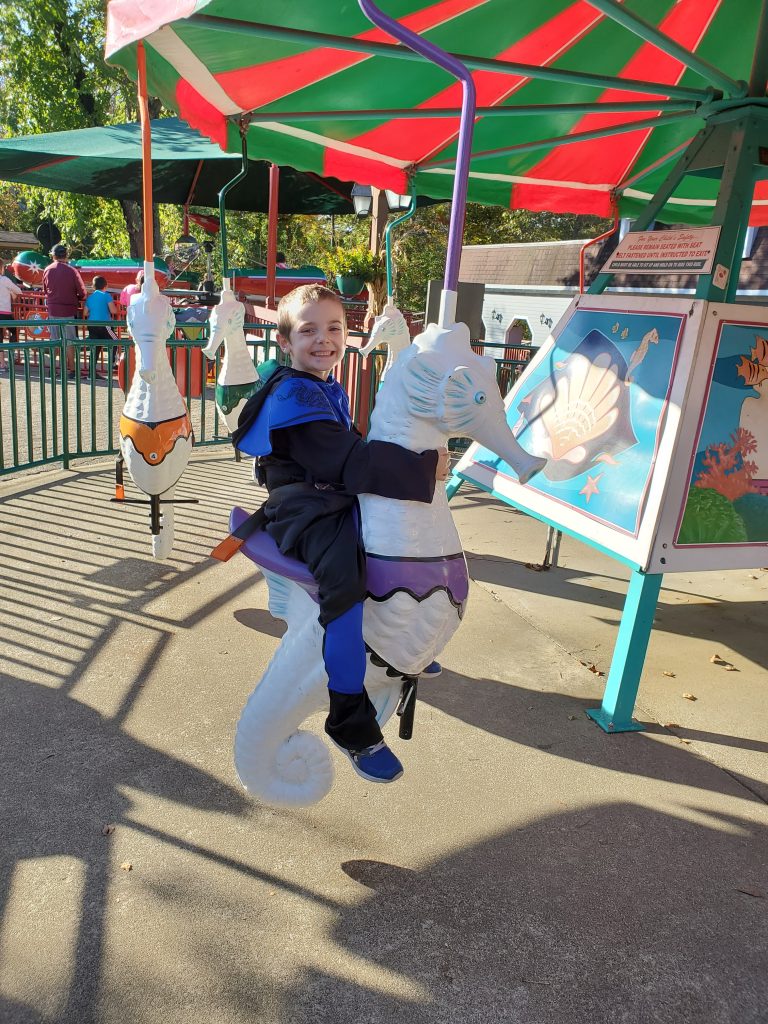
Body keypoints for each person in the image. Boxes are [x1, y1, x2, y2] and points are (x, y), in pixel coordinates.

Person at [226, 284, 449, 784]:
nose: (323, 339)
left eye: (333, 328)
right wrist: (421, 466)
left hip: (330, 495)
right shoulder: (294, 393)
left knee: (404, 543)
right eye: (308, 330)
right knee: (345, 585)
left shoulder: (325, 384)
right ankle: (350, 721)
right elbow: (345, 458)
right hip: (304, 508)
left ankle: (403, 644)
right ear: (285, 341)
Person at [42, 244, 86, 378]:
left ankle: (53, 369)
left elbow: (45, 290)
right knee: (69, 340)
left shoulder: (47, 270)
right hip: (68, 310)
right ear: (66, 256)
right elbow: (82, 292)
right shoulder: (72, 271)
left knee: (54, 339)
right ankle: (72, 370)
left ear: (53, 255)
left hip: (53, 309)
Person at [84, 275, 118, 377]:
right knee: (116, 341)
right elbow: (113, 310)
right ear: (106, 286)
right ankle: (112, 364)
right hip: (105, 325)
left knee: (95, 347)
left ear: (93, 287)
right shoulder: (106, 295)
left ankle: (91, 372)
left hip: (92, 325)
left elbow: (85, 313)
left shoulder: (90, 297)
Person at [0, 260, 22, 369]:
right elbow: (18, 291)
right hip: (5, 312)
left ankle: (2, 364)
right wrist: (11, 292)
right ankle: (11, 356)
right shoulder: (4, 280)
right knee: (14, 331)